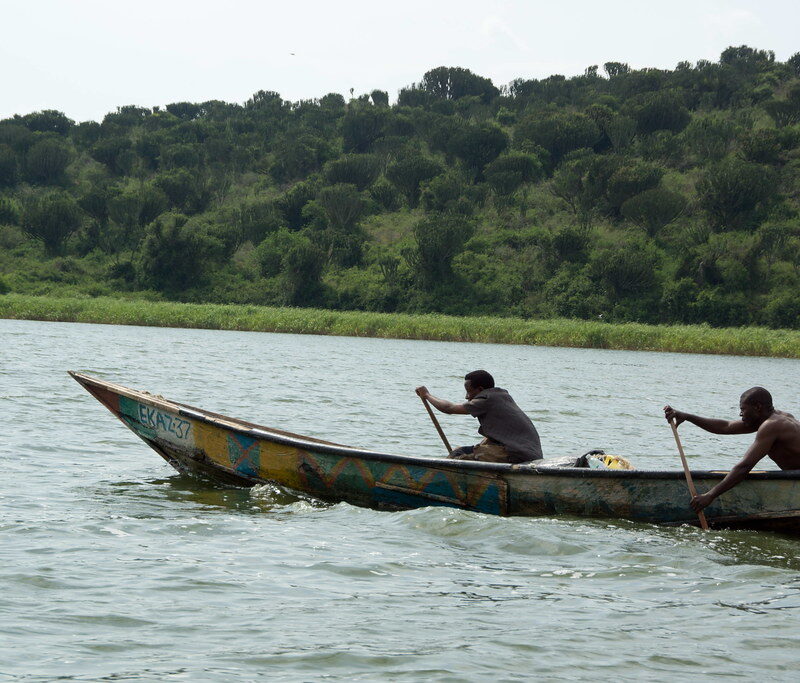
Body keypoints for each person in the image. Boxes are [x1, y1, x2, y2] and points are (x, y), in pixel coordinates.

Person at [664, 387, 800, 512]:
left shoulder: (772, 425)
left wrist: (710, 495)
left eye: (743, 409)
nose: (740, 414)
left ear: (757, 407)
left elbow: (744, 467)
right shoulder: (770, 419)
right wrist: (687, 416)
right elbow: (725, 427)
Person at [415, 370, 543, 464]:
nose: (467, 397)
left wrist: (427, 395)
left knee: (461, 458)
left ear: (480, 389)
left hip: (518, 454)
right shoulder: (502, 396)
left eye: (469, 391)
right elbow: (493, 438)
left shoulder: (487, 399)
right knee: (459, 451)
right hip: (529, 452)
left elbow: (449, 409)